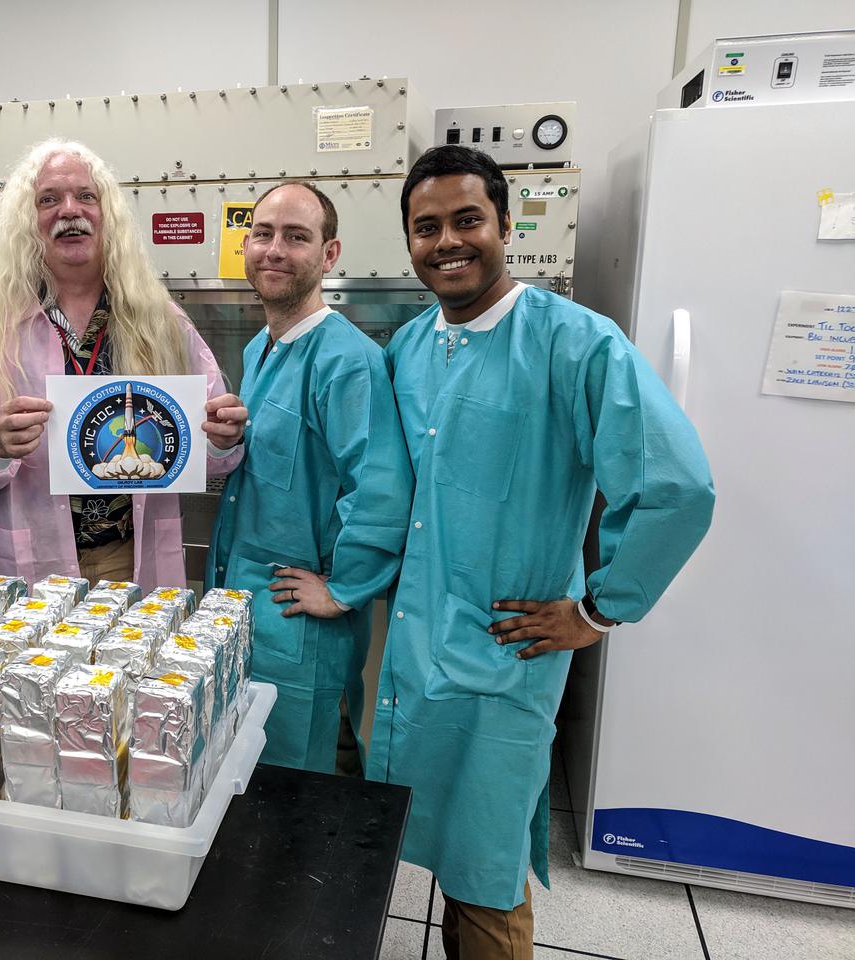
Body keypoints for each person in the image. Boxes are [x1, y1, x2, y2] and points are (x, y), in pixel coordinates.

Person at [366, 146, 715, 959]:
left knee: (485, 871)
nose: (447, 242)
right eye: (426, 227)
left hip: (504, 653)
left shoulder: (576, 344)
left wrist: (599, 609)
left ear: (504, 225)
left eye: (466, 220)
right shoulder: (409, 348)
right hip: (418, 645)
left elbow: (677, 487)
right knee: (429, 843)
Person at [0, 139, 246, 589]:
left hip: (131, 558)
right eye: (48, 199)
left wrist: (222, 438)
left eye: (86, 196)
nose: (69, 210)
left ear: (107, 215)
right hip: (30, 564)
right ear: (27, 221)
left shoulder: (160, 321)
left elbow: (213, 454)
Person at [206, 181, 411, 774]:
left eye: (297, 237)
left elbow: (381, 491)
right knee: (247, 777)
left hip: (299, 626)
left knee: (297, 789)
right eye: (263, 234)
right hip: (245, 604)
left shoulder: (346, 361)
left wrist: (343, 588)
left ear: (329, 255)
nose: (275, 249)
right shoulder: (260, 350)